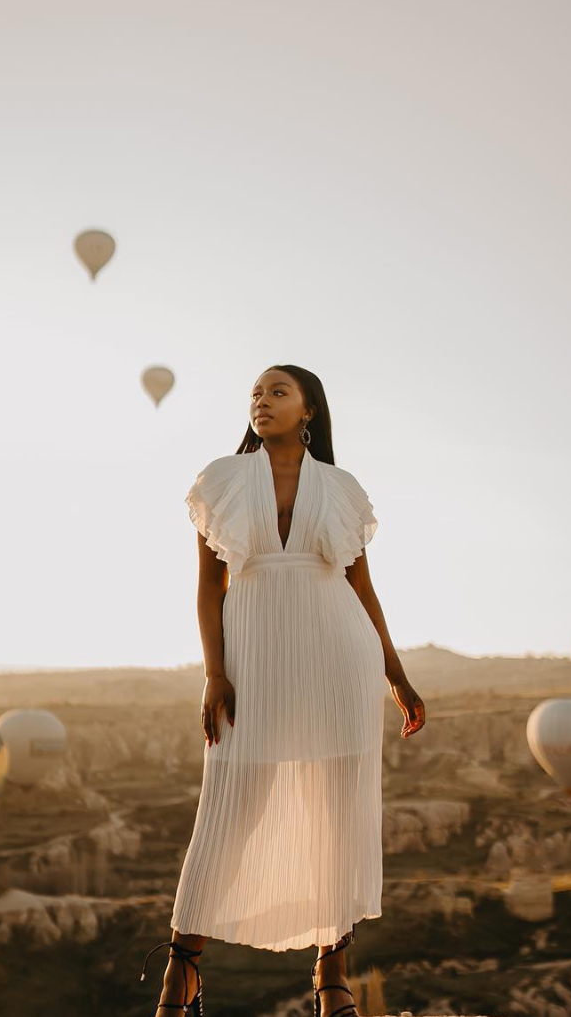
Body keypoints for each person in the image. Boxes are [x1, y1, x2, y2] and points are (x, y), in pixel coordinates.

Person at [139, 364, 425, 1016]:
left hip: (338, 655)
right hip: (253, 652)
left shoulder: (343, 489)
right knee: (232, 805)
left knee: (339, 811)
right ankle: (182, 971)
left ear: (309, 411)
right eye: (255, 395)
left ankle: (332, 971)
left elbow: (362, 589)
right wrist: (215, 671)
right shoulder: (223, 481)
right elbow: (210, 586)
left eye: (277, 392)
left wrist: (397, 676)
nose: (261, 403)